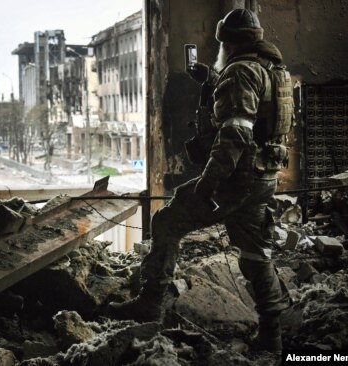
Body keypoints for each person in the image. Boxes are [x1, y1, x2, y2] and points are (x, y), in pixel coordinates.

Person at [108, 8, 293, 353]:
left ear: (227, 41)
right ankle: (273, 335)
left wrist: (208, 185)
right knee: (255, 252)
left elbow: (235, 134)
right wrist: (211, 80)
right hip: (262, 177)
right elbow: (259, 118)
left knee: (166, 223)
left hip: (234, 181)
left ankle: (149, 304)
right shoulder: (272, 69)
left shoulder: (239, 73)